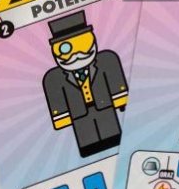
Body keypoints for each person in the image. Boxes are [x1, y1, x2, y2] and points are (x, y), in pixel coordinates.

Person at [42, 11, 128, 157]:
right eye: (66, 49)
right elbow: (57, 103)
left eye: (83, 45)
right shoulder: (53, 78)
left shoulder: (107, 59)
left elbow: (116, 83)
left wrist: (121, 101)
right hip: (79, 115)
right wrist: (62, 117)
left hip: (105, 107)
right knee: (88, 141)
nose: (76, 55)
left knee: (112, 134)